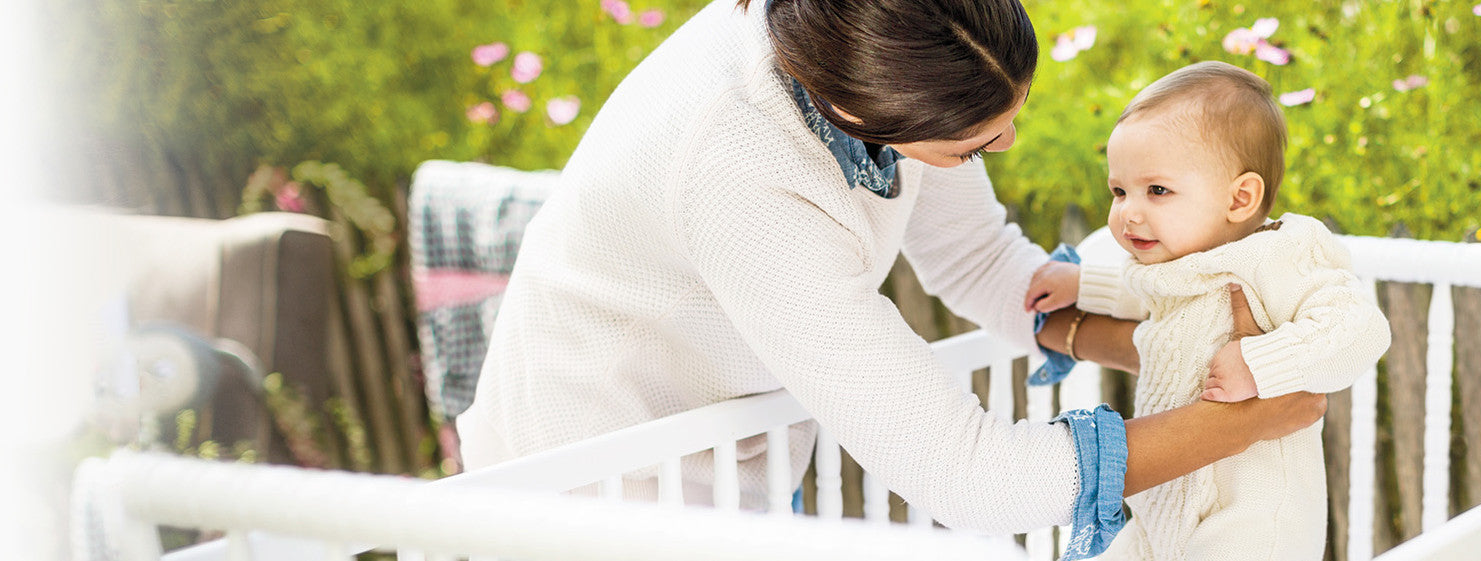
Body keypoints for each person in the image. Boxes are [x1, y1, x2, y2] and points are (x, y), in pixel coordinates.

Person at [454, 0, 1325, 557]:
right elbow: (977, 478)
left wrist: (1176, 345)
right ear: (861, 113)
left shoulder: (869, 37)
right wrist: (1244, 421)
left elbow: (984, 263)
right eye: (973, 145)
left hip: (727, 459)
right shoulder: (741, 173)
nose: (1006, 148)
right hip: (586, 504)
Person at [1025, 61, 1392, 560]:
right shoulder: (1179, 262)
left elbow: (1360, 329)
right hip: (1164, 510)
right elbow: (1144, 293)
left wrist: (1261, 363)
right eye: (1119, 190)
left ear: (1240, 197)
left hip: (1251, 521)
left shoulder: (1277, 256)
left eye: (1157, 190)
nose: (1129, 211)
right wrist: (1082, 283)